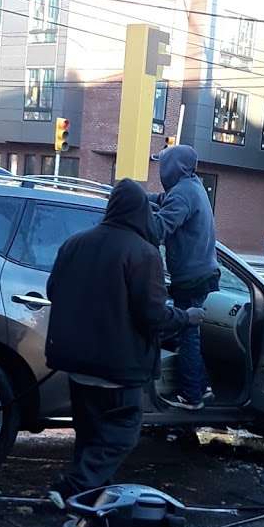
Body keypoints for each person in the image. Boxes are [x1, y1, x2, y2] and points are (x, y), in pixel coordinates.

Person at [44, 178, 204, 508]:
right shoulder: (142, 253)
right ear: (141, 211)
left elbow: (53, 291)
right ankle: (72, 488)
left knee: (90, 438)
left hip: (77, 365)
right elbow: (153, 316)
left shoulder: (74, 244)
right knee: (123, 431)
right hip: (118, 367)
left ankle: (89, 503)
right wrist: (187, 318)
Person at [149, 144, 219, 410]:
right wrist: (140, 198)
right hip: (203, 273)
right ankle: (203, 385)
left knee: (188, 332)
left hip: (191, 277)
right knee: (191, 333)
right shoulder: (192, 186)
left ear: (173, 167)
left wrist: (131, 212)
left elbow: (158, 229)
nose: (159, 170)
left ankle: (192, 395)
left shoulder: (182, 195)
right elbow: (164, 200)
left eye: (162, 164)